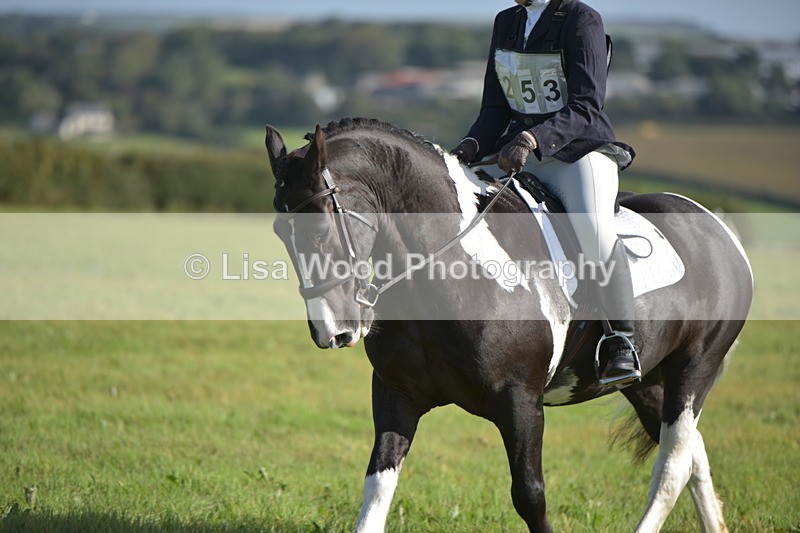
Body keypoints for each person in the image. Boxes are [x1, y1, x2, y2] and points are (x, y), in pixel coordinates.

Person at [450, 0, 640, 386]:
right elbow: (495, 107)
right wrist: (469, 145)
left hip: (577, 151)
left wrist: (533, 138)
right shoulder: (507, 21)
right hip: (516, 150)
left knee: (593, 229)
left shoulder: (580, 19)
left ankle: (621, 339)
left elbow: (587, 105)